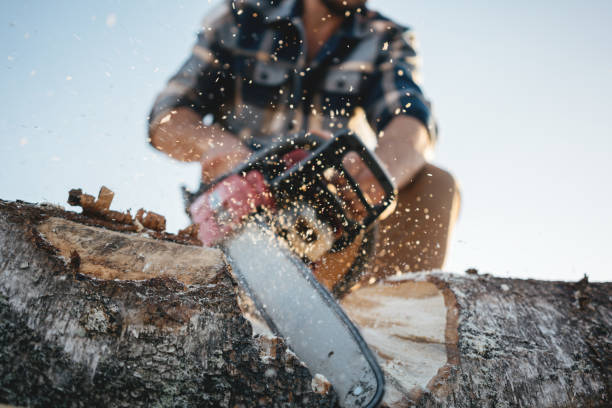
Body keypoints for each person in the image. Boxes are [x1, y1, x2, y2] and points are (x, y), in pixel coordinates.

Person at [148, 0, 460, 290]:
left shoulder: (384, 38)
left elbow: (411, 121)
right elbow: (166, 119)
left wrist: (379, 174)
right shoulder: (241, 17)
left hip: (330, 215)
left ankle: (381, 321)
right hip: (240, 212)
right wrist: (219, 147)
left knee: (435, 185)